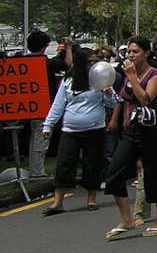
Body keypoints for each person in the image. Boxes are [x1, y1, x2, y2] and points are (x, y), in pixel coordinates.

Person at [102, 36, 157, 240]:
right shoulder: (127, 74)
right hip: (131, 131)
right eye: (130, 52)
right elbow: (124, 100)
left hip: (150, 131)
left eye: (136, 52)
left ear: (146, 53)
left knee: (152, 175)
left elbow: (145, 99)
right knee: (114, 173)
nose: (131, 55)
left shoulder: (155, 74)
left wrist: (132, 77)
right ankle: (126, 219)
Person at [41, 42, 114, 216]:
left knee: (93, 164)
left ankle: (91, 198)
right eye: (89, 62)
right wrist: (48, 125)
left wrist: (108, 94)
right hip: (71, 130)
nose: (92, 65)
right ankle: (58, 202)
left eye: (94, 62)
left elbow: (111, 103)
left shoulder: (99, 81)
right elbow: (58, 105)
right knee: (64, 164)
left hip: (95, 128)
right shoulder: (68, 81)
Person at [25, 29, 57, 179]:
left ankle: (36, 169)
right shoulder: (45, 62)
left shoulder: (24, 61)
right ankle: (37, 172)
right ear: (44, 46)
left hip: (30, 106)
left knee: (36, 138)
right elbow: (67, 63)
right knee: (41, 139)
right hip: (42, 107)